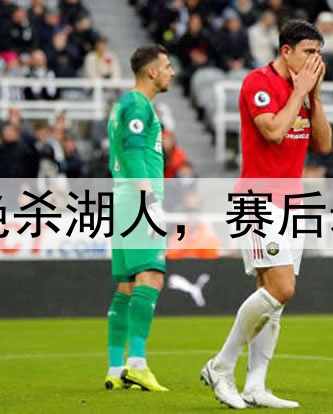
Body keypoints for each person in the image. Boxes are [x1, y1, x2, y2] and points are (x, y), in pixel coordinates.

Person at [200, 20, 332, 409]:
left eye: (318, 53)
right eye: (308, 52)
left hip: (292, 203)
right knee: (281, 288)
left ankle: (255, 385)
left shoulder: (305, 91)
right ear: (286, 51)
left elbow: (324, 144)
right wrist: (300, 92)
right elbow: (273, 131)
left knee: (273, 297)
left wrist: (314, 96)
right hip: (257, 201)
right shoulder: (258, 83)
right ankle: (220, 366)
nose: (315, 60)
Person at [105, 44, 175, 391]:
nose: (171, 72)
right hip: (137, 200)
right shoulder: (138, 105)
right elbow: (133, 154)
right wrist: (150, 201)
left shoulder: (121, 105)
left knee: (127, 286)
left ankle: (116, 368)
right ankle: (137, 364)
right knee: (151, 278)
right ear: (152, 71)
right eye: (167, 66)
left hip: (121, 200)